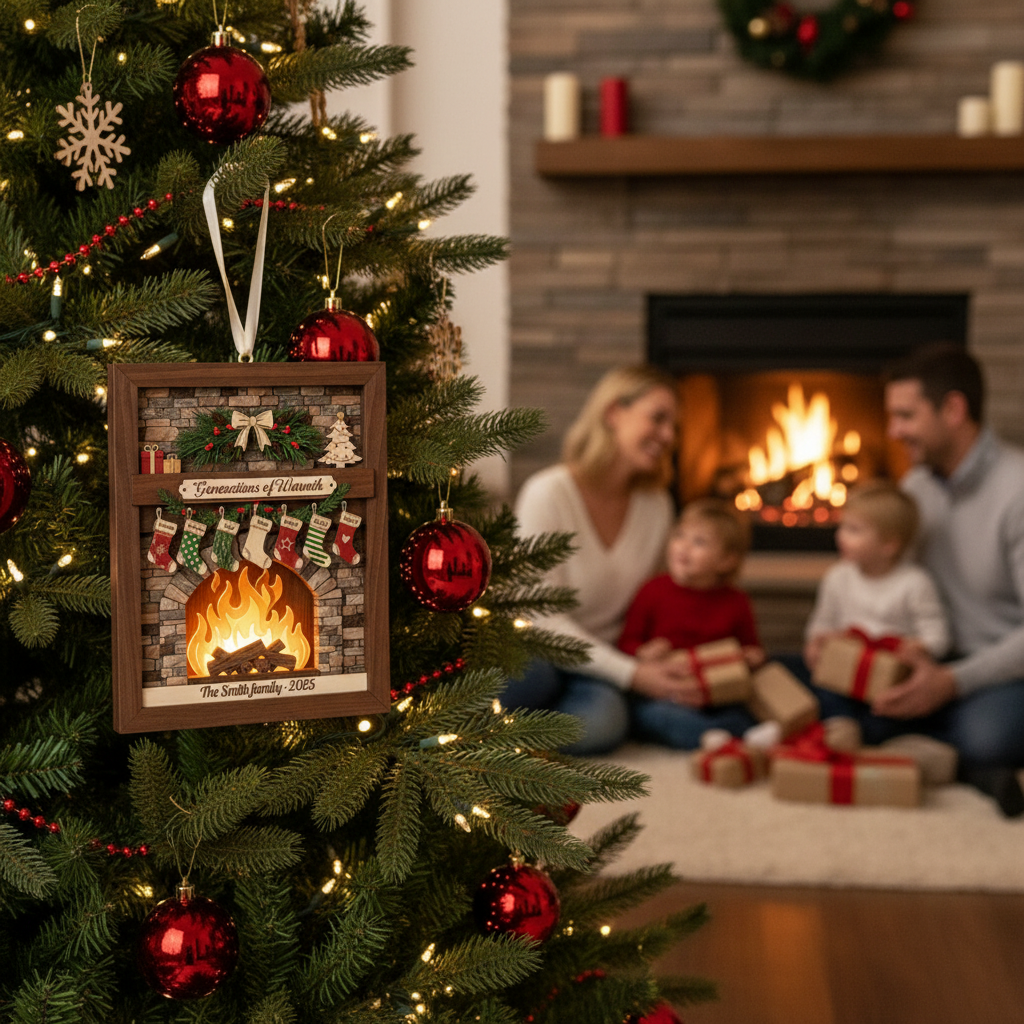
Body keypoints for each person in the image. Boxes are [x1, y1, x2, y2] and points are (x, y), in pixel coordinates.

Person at [809, 344, 1024, 814]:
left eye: (905, 416)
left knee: (987, 737)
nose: (893, 432)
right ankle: (939, 753)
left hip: (999, 670)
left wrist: (951, 681)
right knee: (816, 680)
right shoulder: (916, 489)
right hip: (925, 656)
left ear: (953, 409)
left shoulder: (1018, 490)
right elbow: (891, 582)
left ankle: (960, 756)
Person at [505, 365, 693, 755]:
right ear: (613, 413)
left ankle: (514, 747)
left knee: (607, 722)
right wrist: (634, 675)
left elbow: (657, 599)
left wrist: (652, 647)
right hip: (536, 650)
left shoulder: (657, 505)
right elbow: (537, 618)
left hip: (600, 662)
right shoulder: (548, 493)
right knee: (529, 679)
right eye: (658, 419)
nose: (669, 436)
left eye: (674, 425)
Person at [620, 498, 765, 750]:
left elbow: (751, 648)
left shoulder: (736, 601)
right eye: (680, 536)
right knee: (653, 715)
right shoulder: (653, 591)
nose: (683, 547)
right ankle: (715, 738)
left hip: (718, 691)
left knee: (748, 706)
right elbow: (626, 643)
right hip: (669, 692)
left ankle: (733, 735)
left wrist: (752, 657)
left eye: (699, 542)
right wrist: (643, 653)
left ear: (726, 561)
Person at [804, 480, 949, 671]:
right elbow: (821, 623)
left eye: (853, 530)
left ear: (889, 544)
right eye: (842, 527)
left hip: (892, 675)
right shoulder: (837, 578)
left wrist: (921, 647)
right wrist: (817, 642)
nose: (841, 536)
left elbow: (938, 635)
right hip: (844, 671)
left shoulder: (915, 583)